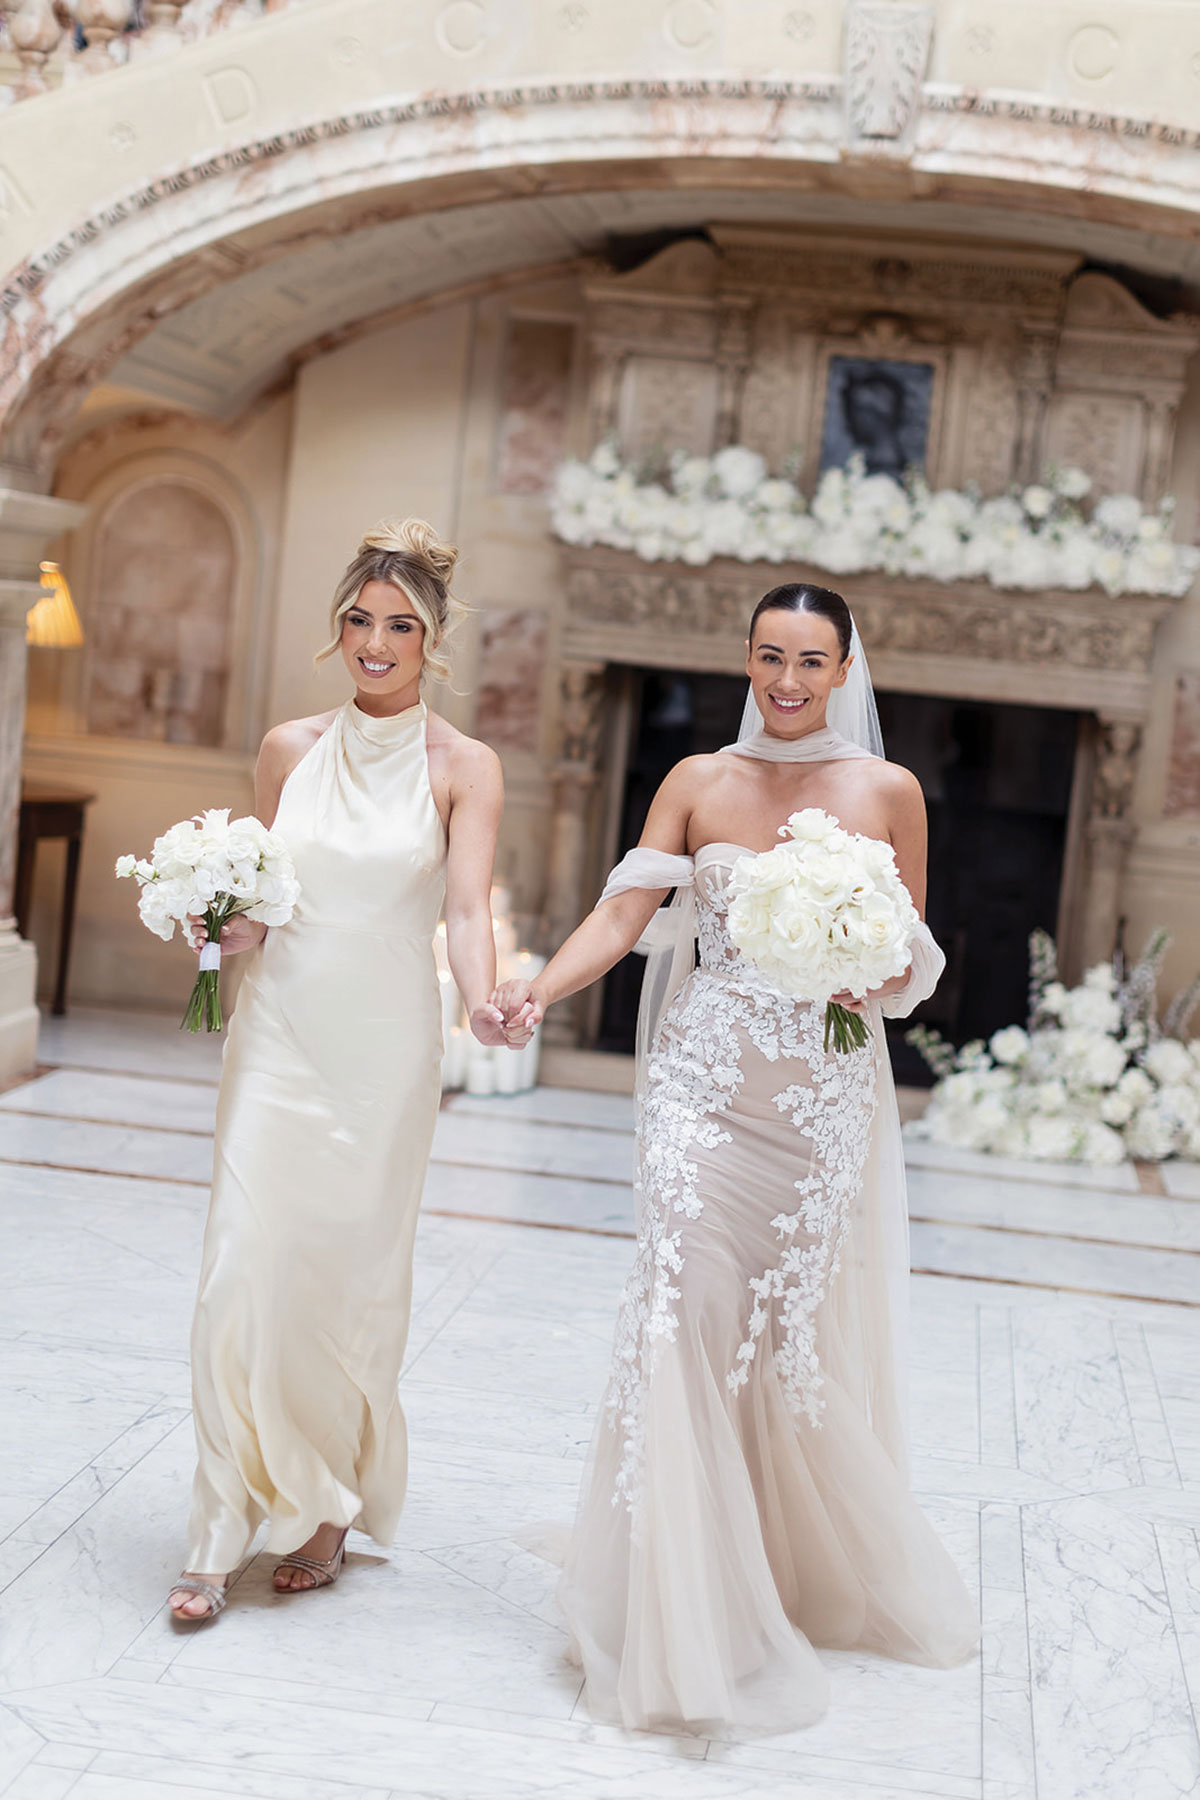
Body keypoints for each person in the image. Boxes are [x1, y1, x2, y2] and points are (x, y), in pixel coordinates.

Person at [494, 583, 979, 1734]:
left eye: (812, 659)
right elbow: (623, 916)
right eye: (771, 656)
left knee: (769, 1337)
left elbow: (915, 948)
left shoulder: (888, 791)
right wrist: (532, 994)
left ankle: (766, 1563)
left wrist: (881, 974)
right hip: (702, 1093)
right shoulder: (697, 781)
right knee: (681, 1307)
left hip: (817, 1104)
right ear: (748, 658)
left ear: (847, 665)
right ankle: (675, 1602)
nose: (789, 680)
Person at [168, 519, 508, 1623]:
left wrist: (490, 996)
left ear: (433, 642)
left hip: (385, 1049)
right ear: (338, 630)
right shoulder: (287, 749)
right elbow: (261, 895)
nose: (375, 641)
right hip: (277, 1036)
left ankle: (325, 1512)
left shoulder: (466, 768)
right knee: (241, 1269)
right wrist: (217, 931)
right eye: (359, 620)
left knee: (347, 1280)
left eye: (400, 626)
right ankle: (218, 1530)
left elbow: (463, 911)